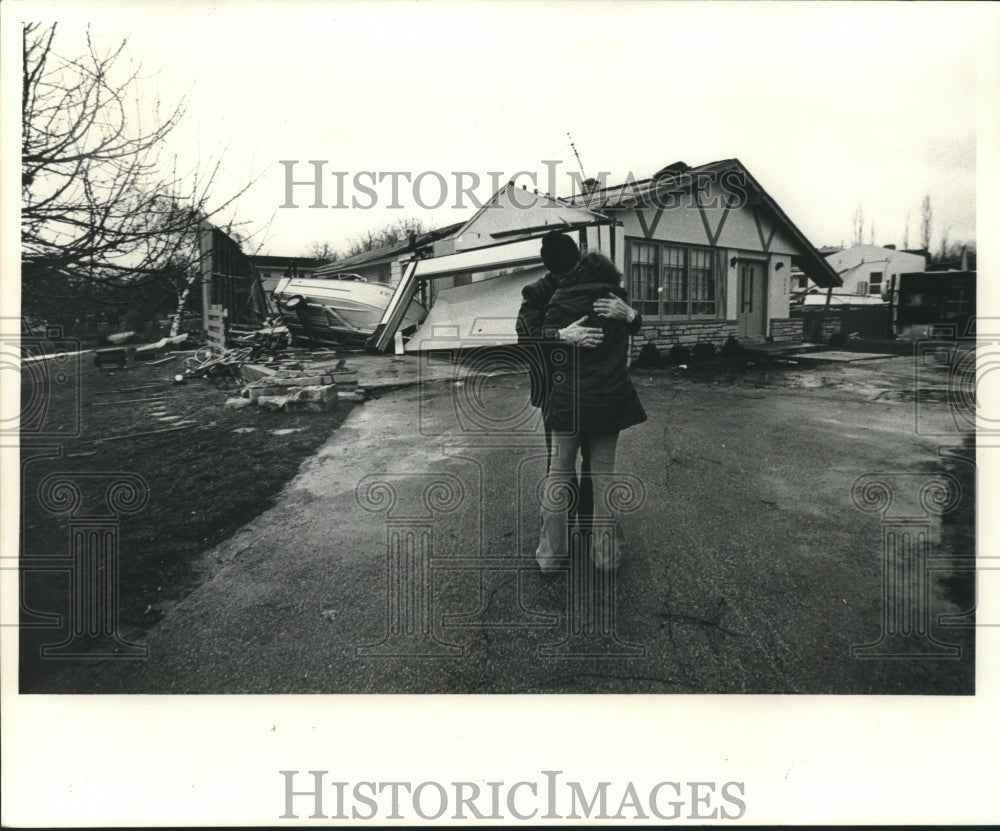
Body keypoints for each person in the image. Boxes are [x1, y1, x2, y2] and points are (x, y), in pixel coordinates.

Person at [515, 232, 641, 520]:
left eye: (574, 270)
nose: (569, 277)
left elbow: (620, 321)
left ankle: (586, 520)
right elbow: (525, 337)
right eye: (563, 273)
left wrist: (632, 315)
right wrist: (560, 335)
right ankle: (564, 521)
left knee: (594, 464)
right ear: (550, 269)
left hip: (595, 389)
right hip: (554, 391)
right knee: (560, 465)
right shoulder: (536, 293)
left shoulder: (592, 280)